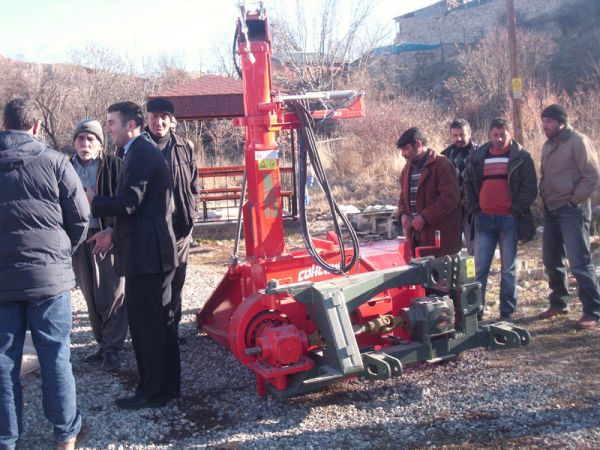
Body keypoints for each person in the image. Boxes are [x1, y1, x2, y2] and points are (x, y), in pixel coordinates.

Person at [0, 98, 88, 450]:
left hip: (3, 282)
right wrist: (61, 253)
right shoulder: (55, 162)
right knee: (55, 357)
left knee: (4, 362)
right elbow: (80, 218)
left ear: (4, 125)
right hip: (49, 280)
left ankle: (7, 439)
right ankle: (65, 433)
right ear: (37, 126)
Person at [87, 101, 180, 409]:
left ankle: (153, 392)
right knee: (158, 323)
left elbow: (129, 202)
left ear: (131, 125)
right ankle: (166, 388)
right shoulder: (139, 151)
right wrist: (112, 233)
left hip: (148, 257)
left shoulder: (141, 152)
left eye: (112, 122)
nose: (108, 128)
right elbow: (139, 210)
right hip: (148, 252)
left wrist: (93, 200)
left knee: (148, 325)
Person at [464, 118, 537, 321]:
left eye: (502, 135)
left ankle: (506, 313)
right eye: (495, 135)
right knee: (480, 269)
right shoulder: (478, 156)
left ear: (509, 133)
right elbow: (468, 183)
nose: (498, 139)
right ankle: (475, 313)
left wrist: (515, 210)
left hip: (509, 220)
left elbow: (530, 188)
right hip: (484, 219)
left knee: (508, 269)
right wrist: (475, 209)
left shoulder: (521, 157)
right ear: (490, 134)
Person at [70, 119, 127, 371]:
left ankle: (114, 347)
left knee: (112, 292)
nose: (85, 144)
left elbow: (127, 203)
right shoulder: (64, 167)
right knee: (89, 294)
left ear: (100, 144)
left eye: (90, 139)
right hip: (78, 237)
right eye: (81, 139)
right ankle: (102, 344)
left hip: (106, 233)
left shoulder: (115, 165)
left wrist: (113, 231)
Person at [537, 104, 600, 329]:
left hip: (572, 209)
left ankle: (593, 310)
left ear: (561, 122)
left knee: (579, 262)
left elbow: (592, 176)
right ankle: (559, 302)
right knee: (551, 259)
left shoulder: (578, 142)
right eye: (544, 121)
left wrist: (574, 200)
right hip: (551, 209)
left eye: (549, 122)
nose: (545, 126)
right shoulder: (548, 144)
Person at [145, 98, 198, 341]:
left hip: (179, 229)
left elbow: (194, 184)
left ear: (171, 119)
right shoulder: (139, 147)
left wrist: (192, 214)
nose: (159, 121)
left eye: (164, 116)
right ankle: (154, 332)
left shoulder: (184, 146)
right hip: (150, 231)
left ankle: (172, 329)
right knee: (155, 284)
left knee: (177, 280)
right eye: (154, 116)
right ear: (147, 118)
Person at [397, 127, 462, 258]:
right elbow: (403, 197)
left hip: (441, 240)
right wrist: (403, 214)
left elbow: (449, 198)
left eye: (406, 149)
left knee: (442, 278)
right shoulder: (406, 170)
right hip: (417, 240)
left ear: (418, 144)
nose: (403, 154)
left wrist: (425, 217)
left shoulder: (442, 164)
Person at [442, 119, 479, 255]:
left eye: (462, 134)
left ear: (469, 133)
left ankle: (475, 276)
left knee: (474, 249)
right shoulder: (445, 156)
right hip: (453, 209)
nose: (459, 139)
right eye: (455, 135)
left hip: (473, 208)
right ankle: (455, 276)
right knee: (451, 249)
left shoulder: (479, 153)